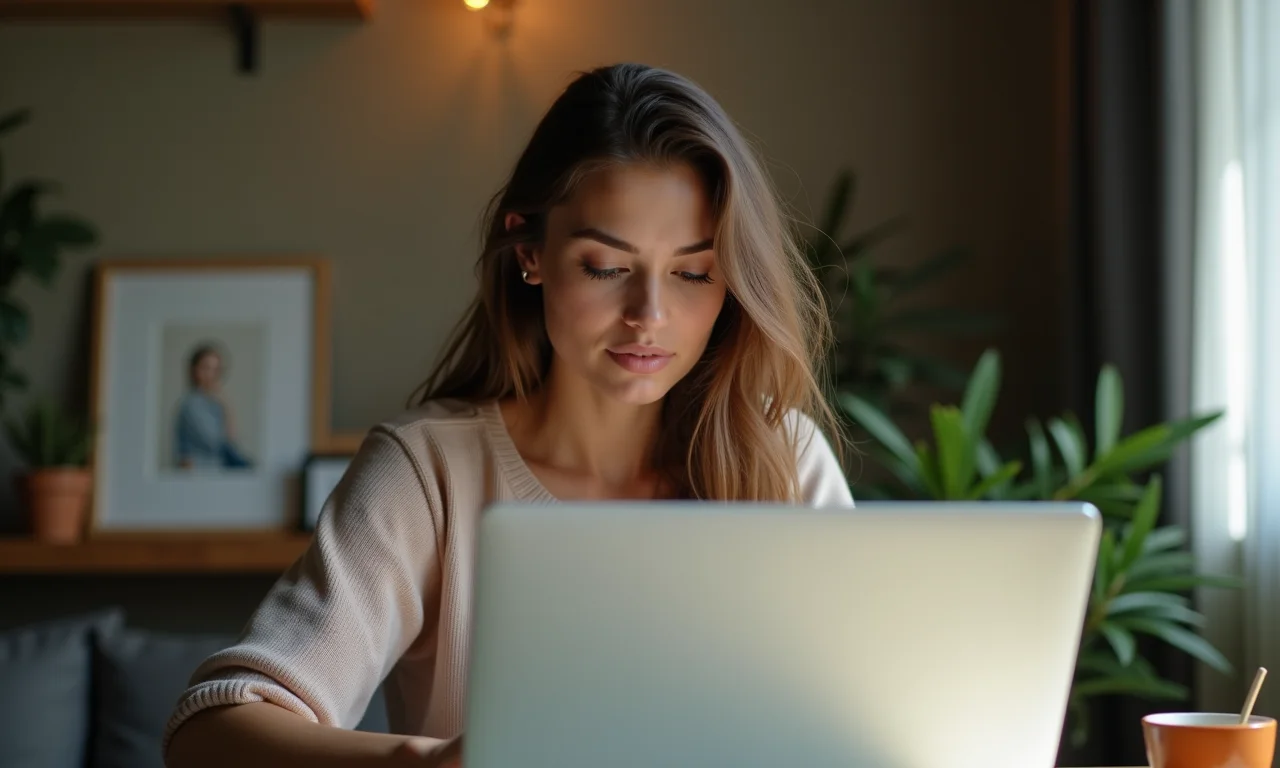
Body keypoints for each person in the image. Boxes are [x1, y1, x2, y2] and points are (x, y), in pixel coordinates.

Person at [162, 62, 855, 768]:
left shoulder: (787, 460)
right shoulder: (430, 474)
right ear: (530, 251)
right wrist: (426, 764)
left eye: (693, 272)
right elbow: (209, 732)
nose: (649, 315)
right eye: (606, 267)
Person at [173, 343, 253, 471]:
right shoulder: (191, 403)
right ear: (194, 370)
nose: (211, 375)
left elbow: (232, 441)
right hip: (199, 471)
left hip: (214, 469)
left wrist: (226, 405)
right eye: (206, 368)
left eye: (216, 370)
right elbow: (218, 443)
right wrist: (226, 406)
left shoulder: (214, 402)